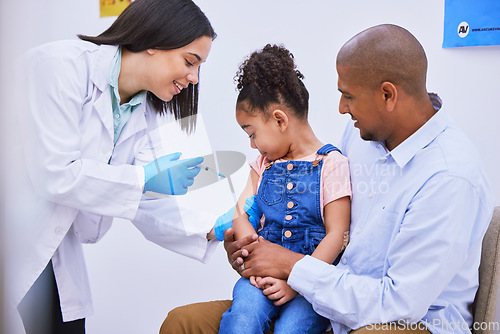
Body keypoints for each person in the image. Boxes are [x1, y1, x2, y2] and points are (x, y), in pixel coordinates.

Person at [161, 24, 495, 334]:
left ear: (387, 95)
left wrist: (292, 268)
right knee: (184, 323)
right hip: (325, 299)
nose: (340, 108)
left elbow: (398, 304)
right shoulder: (361, 136)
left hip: (403, 323)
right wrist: (253, 257)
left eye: (348, 96)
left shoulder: (449, 176)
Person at [15, 0, 219, 333]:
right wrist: (144, 179)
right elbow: (56, 174)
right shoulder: (59, 66)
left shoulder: (143, 109)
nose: (194, 77)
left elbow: (141, 199)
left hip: (51, 247)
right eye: (189, 61)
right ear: (154, 42)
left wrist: (212, 228)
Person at [216, 44, 351, 334]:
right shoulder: (262, 165)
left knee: (293, 328)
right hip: (262, 276)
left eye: (252, 134)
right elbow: (241, 213)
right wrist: (251, 258)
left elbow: (337, 235)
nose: (252, 145)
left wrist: (297, 281)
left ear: (279, 119)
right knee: (242, 318)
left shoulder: (332, 164)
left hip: (311, 283)